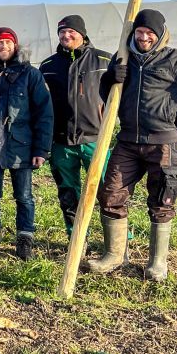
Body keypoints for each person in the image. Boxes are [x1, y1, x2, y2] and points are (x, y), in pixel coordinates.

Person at [87, 9, 177, 281]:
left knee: (162, 199)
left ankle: (157, 262)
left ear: (160, 34)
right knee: (111, 194)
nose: (143, 37)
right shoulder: (122, 56)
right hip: (128, 141)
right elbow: (107, 93)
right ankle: (114, 255)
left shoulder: (174, 59)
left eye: (149, 33)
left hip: (163, 143)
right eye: (139, 32)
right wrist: (110, 78)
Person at [0, 27, 53, 260]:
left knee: (24, 196)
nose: (4, 46)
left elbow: (44, 113)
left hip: (22, 145)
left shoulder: (30, 74)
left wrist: (41, 149)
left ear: (15, 46)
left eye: (8, 42)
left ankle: (24, 242)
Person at [38, 15, 113, 237]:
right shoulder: (48, 66)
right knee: (68, 194)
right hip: (61, 141)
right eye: (62, 32)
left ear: (82, 33)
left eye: (71, 31)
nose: (66, 35)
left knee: (109, 191)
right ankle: (77, 239)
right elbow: (41, 104)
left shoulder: (104, 61)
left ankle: (117, 243)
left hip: (95, 139)